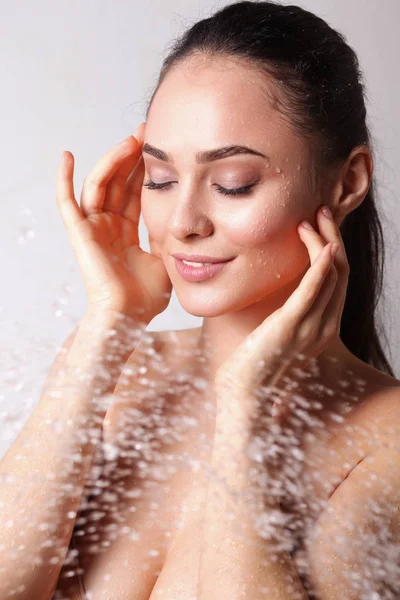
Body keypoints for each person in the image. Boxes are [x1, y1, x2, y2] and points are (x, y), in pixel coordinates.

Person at [1, 1, 399, 599]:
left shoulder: (386, 440)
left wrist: (246, 410)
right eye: (160, 179)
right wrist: (110, 322)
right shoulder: (123, 377)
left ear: (347, 183)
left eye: (232, 183)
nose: (182, 221)